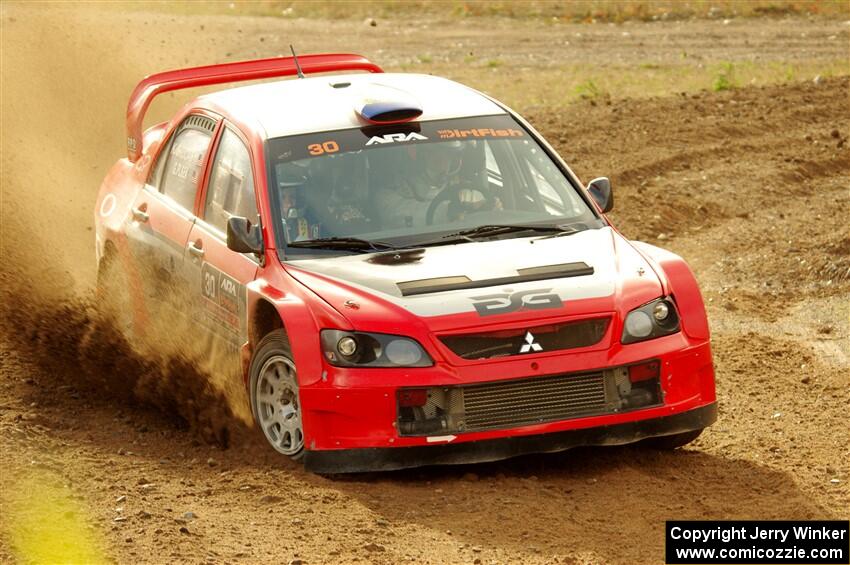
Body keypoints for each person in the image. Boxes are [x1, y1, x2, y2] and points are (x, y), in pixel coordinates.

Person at [376, 140, 493, 230]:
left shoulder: (460, 187)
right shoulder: (388, 194)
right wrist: (449, 210)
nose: (447, 162)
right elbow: (410, 213)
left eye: (451, 156)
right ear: (422, 156)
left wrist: (488, 206)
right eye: (439, 155)